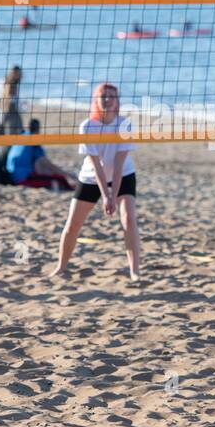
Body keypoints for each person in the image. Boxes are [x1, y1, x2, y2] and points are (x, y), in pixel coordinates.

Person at [49, 82, 140, 281]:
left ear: (117, 102)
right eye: (103, 96)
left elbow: (118, 164)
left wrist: (112, 195)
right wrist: (105, 196)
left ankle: (135, 272)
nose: (107, 100)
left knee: (129, 220)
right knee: (73, 224)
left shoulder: (125, 124)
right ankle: (61, 267)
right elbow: (97, 165)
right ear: (96, 101)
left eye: (111, 96)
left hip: (123, 175)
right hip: (91, 177)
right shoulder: (87, 126)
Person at [6, 119, 78, 191]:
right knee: (59, 179)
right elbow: (44, 164)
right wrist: (67, 175)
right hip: (22, 179)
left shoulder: (22, 135)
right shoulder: (34, 140)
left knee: (50, 173)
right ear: (38, 129)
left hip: (10, 175)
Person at [0, 66, 24, 137]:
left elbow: (15, 97)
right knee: (2, 128)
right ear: (13, 73)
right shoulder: (6, 81)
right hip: (2, 105)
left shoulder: (15, 82)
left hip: (9, 107)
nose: (19, 75)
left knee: (14, 128)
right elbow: (5, 96)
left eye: (19, 73)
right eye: (17, 73)